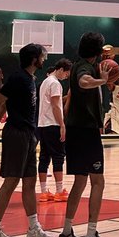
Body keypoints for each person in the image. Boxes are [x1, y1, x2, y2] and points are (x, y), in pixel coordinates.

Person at [0, 44, 55, 237]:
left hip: (28, 134)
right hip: (16, 134)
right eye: (42, 56)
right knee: (11, 182)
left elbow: (4, 105)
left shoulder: (30, 79)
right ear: (34, 58)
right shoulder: (18, 78)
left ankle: (33, 229)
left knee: (29, 182)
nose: (44, 59)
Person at [56, 32, 118, 237]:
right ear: (98, 52)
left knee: (80, 182)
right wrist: (102, 80)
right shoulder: (85, 69)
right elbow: (84, 81)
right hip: (86, 132)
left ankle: (66, 233)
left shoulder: (77, 65)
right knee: (98, 182)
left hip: (75, 131)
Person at [38, 58, 72, 202]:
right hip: (53, 124)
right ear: (61, 69)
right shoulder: (55, 83)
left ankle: (44, 191)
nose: (66, 77)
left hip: (42, 125)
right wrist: (62, 124)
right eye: (66, 74)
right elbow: (56, 105)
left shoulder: (45, 82)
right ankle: (59, 191)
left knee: (44, 157)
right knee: (58, 156)